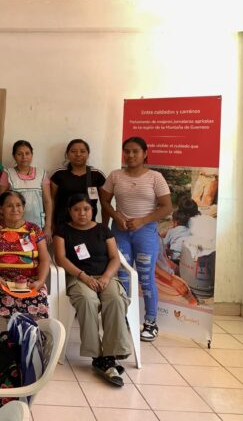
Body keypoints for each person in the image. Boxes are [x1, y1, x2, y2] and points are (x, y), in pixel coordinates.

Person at [54, 193, 132, 386]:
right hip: (79, 277)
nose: (82, 213)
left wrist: (106, 277)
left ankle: (111, 354)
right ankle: (97, 355)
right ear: (69, 211)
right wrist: (83, 276)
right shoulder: (62, 230)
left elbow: (115, 258)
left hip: (105, 277)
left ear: (92, 210)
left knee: (115, 299)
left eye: (86, 209)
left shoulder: (103, 229)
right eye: (76, 209)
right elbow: (61, 259)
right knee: (88, 301)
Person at [100, 136, 172, 342]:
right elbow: (104, 201)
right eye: (127, 151)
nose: (130, 155)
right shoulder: (115, 176)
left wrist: (142, 221)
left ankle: (150, 322)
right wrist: (116, 217)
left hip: (145, 232)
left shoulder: (155, 177)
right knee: (122, 277)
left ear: (145, 153)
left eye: (135, 151)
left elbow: (167, 207)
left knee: (146, 277)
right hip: (120, 232)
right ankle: (123, 319)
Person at [0, 191, 51, 340]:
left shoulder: (34, 229)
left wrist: (40, 281)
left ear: (23, 208)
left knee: (39, 298)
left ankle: (35, 345)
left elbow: (44, 259)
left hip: (29, 282)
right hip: (0, 281)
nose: (15, 209)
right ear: (1, 209)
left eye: (18, 205)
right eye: (9, 206)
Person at [50, 139, 108, 231]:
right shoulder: (58, 174)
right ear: (67, 154)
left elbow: (105, 203)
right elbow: (51, 201)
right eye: (73, 151)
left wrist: (104, 227)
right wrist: (50, 224)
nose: (78, 154)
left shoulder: (97, 175)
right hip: (62, 226)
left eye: (82, 151)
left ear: (88, 154)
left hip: (89, 227)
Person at [0, 140, 53, 234]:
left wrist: (48, 226)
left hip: (37, 223)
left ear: (32, 154)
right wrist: (1, 221)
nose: (24, 157)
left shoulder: (41, 173)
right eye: (19, 154)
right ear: (14, 156)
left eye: (27, 153)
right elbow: (0, 200)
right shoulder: (7, 173)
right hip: (13, 224)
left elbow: (47, 201)